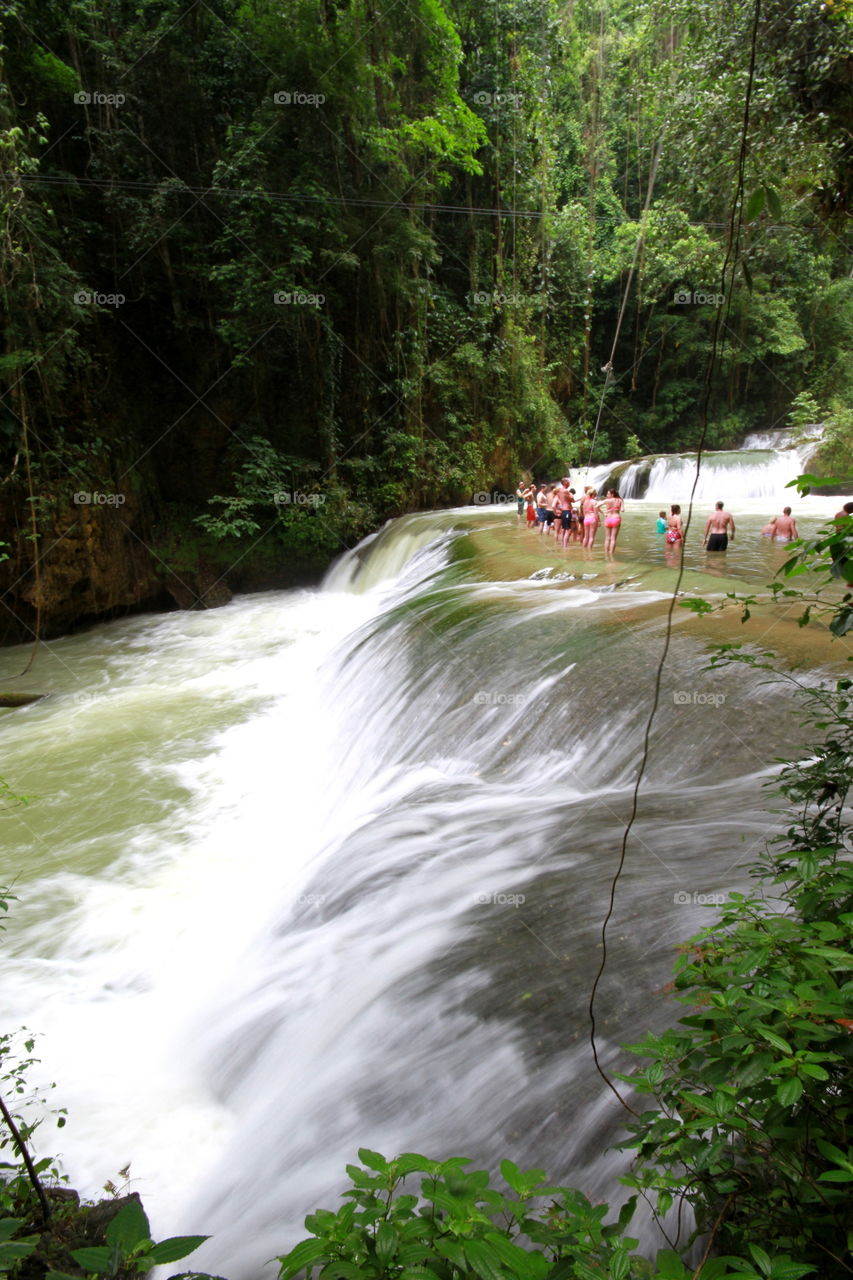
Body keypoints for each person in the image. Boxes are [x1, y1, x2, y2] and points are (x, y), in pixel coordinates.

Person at [830, 501, 853, 585]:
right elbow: (847, 529)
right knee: (847, 562)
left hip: (835, 539)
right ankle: (850, 582)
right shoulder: (846, 516)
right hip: (843, 540)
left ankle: (849, 582)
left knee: (841, 562)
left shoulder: (838, 514)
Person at [599, 488, 624, 556]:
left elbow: (596, 506)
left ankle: (606, 554)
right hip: (616, 518)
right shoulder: (620, 500)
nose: (607, 495)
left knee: (607, 538)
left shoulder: (606, 501)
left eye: (608, 494)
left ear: (612, 494)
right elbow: (622, 510)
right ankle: (611, 555)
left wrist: (603, 513)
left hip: (608, 518)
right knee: (613, 538)